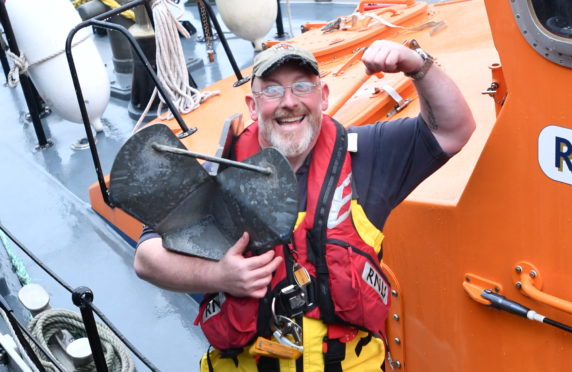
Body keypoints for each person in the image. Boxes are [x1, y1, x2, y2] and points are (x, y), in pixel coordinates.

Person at [134, 39, 475, 371]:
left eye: (302, 87)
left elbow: (453, 130)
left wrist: (417, 65)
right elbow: (146, 257)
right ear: (253, 106)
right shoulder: (218, 172)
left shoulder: (367, 155)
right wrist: (219, 275)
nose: (288, 102)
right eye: (271, 90)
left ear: (322, 97)